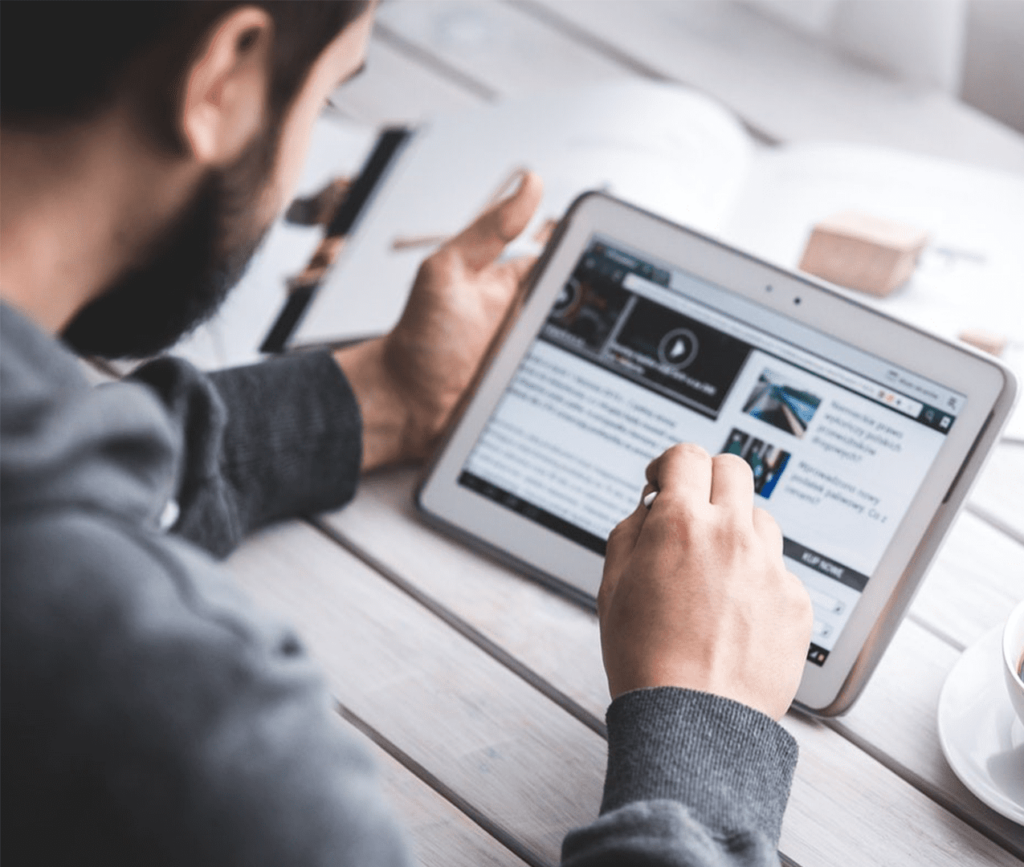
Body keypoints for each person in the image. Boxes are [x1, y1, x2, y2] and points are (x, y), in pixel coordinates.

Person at [0, 2, 814, 864]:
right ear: (223, 77)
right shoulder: (206, 743)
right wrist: (703, 737)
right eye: (326, 98)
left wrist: (378, 396)